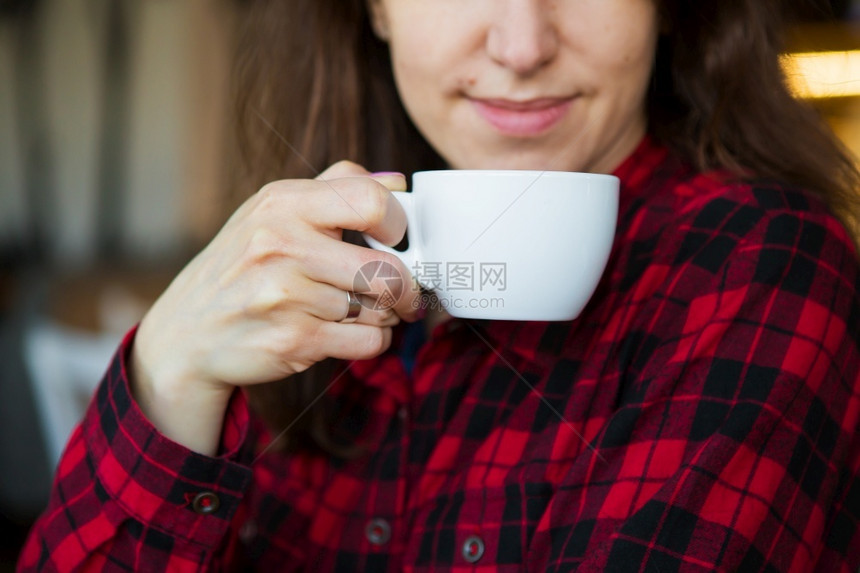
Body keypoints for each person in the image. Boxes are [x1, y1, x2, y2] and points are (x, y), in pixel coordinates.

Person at [18, 0, 860, 570]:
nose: (523, 46)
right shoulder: (309, 268)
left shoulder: (763, 260)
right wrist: (167, 373)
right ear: (376, 8)